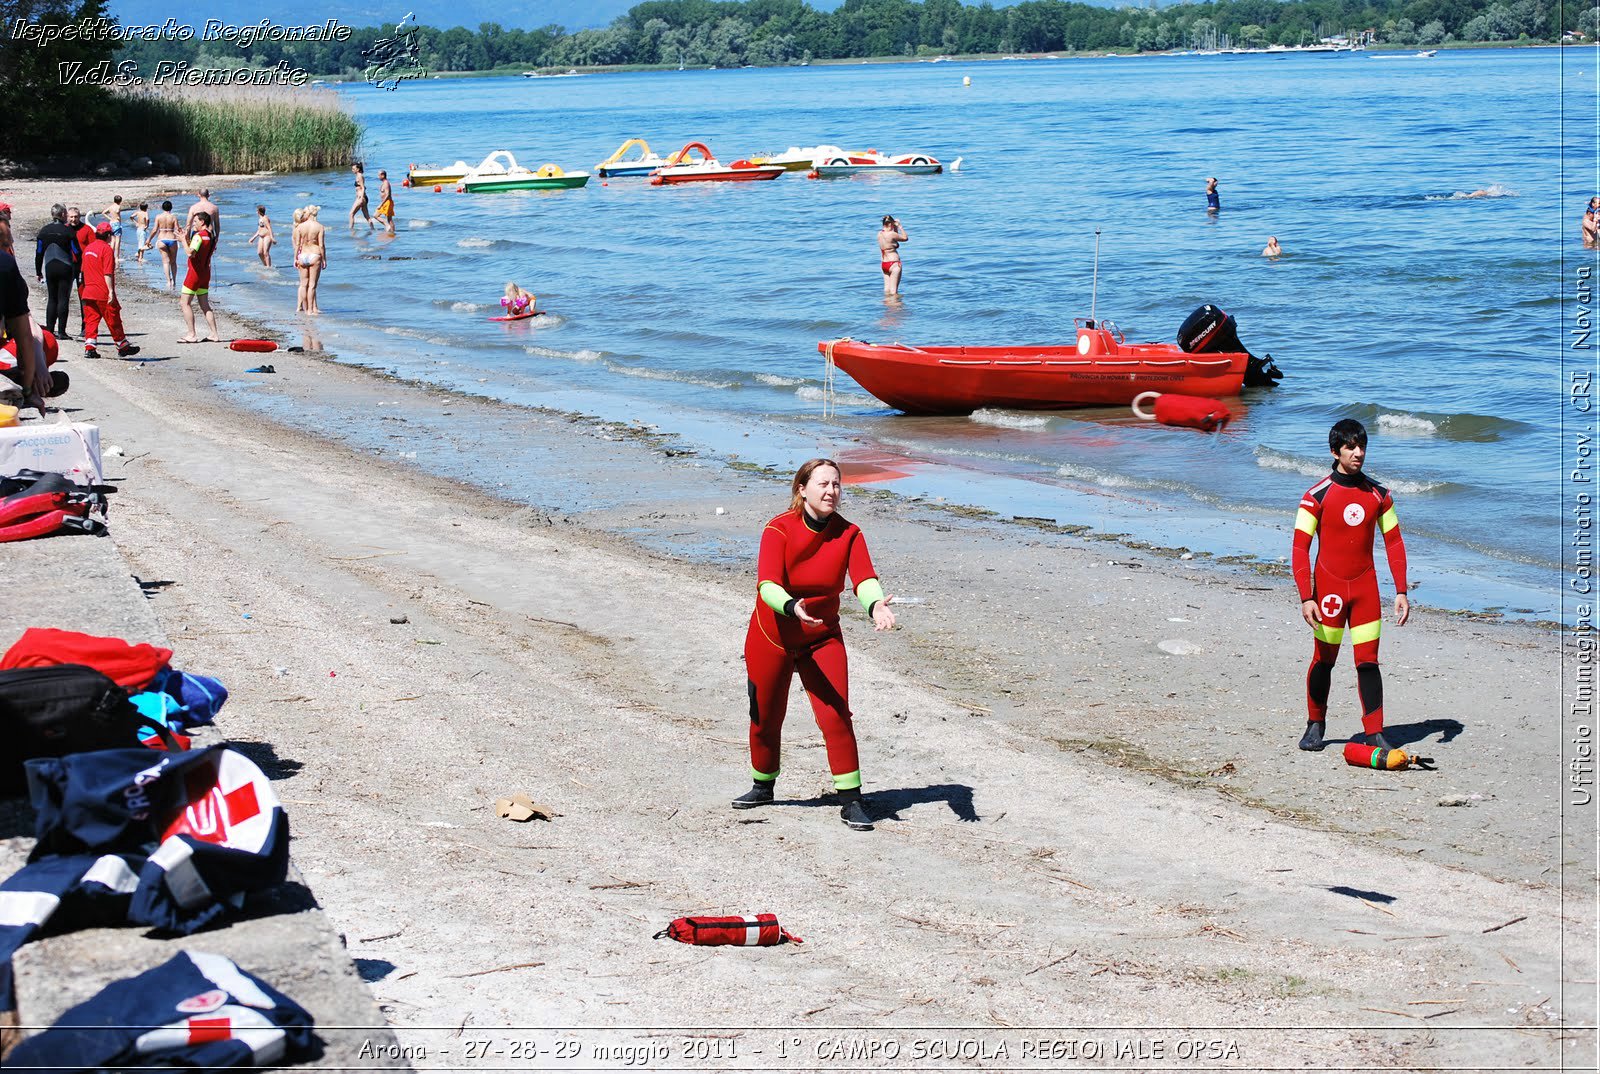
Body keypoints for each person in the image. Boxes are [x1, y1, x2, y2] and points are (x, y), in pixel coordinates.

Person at [732, 458, 897, 831]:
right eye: (823, 484)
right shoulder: (779, 529)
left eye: (836, 485)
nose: (831, 491)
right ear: (802, 489)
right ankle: (763, 785)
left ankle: (851, 800)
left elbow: (865, 578)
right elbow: (768, 584)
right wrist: (792, 606)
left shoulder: (849, 533)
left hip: (822, 637)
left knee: (836, 714)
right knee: (765, 717)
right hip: (772, 634)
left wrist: (875, 605)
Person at [1292, 419, 1409, 761]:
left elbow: (1395, 542)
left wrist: (1400, 591)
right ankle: (1315, 724)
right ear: (1335, 451)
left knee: (1368, 663)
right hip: (1327, 591)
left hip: (1365, 590)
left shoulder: (1380, 496)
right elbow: (1300, 548)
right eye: (1350, 447)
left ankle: (1375, 732)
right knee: (1324, 660)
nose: (1358, 453)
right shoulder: (1316, 496)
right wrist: (1306, 596)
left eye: (1362, 447)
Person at [78, 221, 139, 359]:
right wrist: (111, 291)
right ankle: (122, 346)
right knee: (113, 318)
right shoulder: (106, 249)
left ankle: (90, 348)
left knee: (91, 320)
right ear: (108, 235)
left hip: (88, 290)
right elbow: (108, 273)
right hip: (102, 291)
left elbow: (82, 272)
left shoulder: (88, 249)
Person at [1, 245, 51, 409]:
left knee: (48, 341)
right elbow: (24, 336)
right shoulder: (5, 264)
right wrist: (28, 390)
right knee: (48, 342)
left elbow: (28, 331)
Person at [34, 204, 81, 339]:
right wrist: (78, 267)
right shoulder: (68, 231)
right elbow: (77, 251)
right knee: (63, 298)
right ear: (62, 215)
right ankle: (61, 332)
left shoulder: (44, 231)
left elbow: (39, 253)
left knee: (52, 298)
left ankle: (49, 330)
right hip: (65, 267)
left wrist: (38, 271)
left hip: (49, 267)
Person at [179, 210, 219, 343]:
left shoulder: (199, 236)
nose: (194, 224)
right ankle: (214, 334)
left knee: (185, 303)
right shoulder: (211, 236)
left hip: (194, 273)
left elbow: (191, 253)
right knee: (204, 305)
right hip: (205, 273)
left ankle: (191, 334)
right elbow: (200, 249)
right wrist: (186, 238)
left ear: (202, 222)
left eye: (195, 221)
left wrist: (183, 241)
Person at [297, 205, 326, 314]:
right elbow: (322, 245)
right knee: (312, 285)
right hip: (314, 254)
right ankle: (310, 310)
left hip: (303, 255)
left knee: (304, 284)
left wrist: (296, 257)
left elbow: (298, 244)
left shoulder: (300, 227)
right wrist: (324, 259)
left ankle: (306, 310)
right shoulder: (320, 227)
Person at [146, 200, 181, 290]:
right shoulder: (173, 217)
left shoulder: (159, 217)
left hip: (162, 239)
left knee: (165, 262)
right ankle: (175, 281)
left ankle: (168, 281)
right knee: (173, 262)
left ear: (162, 208)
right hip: (172, 238)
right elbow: (177, 229)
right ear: (171, 208)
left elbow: (154, 230)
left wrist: (149, 239)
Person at [877, 214, 907, 297]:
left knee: (887, 290)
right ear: (890, 224)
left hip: (884, 264)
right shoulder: (892, 234)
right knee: (894, 292)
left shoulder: (879, 234)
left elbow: (893, 238)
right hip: (894, 264)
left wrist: (895, 227)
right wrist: (900, 226)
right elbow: (905, 238)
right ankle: (896, 309)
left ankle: (887, 308)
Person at [100, 194, 125, 260]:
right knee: (118, 241)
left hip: (111, 223)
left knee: (112, 241)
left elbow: (103, 212)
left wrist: (110, 218)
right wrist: (118, 218)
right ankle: (116, 257)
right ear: (120, 201)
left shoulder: (111, 207)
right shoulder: (118, 207)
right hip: (117, 223)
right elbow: (117, 212)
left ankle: (110, 255)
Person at [349, 163, 372, 230]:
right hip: (363, 197)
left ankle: (351, 230)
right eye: (352, 169)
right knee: (366, 216)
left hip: (361, 198)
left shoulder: (359, 176)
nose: (352, 170)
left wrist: (361, 198)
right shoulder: (359, 175)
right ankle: (372, 229)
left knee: (351, 214)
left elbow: (363, 187)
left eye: (353, 169)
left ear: (358, 169)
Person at [375, 169, 395, 235]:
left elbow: (388, 194)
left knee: (389, 219)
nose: (378, 176)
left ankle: (391, 231)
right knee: (376, 216)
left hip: (387, 202)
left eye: (379, 175)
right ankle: (390, 229)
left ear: (383, 175)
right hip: (385, 203)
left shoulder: (386, 183)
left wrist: (381, 204)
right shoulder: (383, 183)